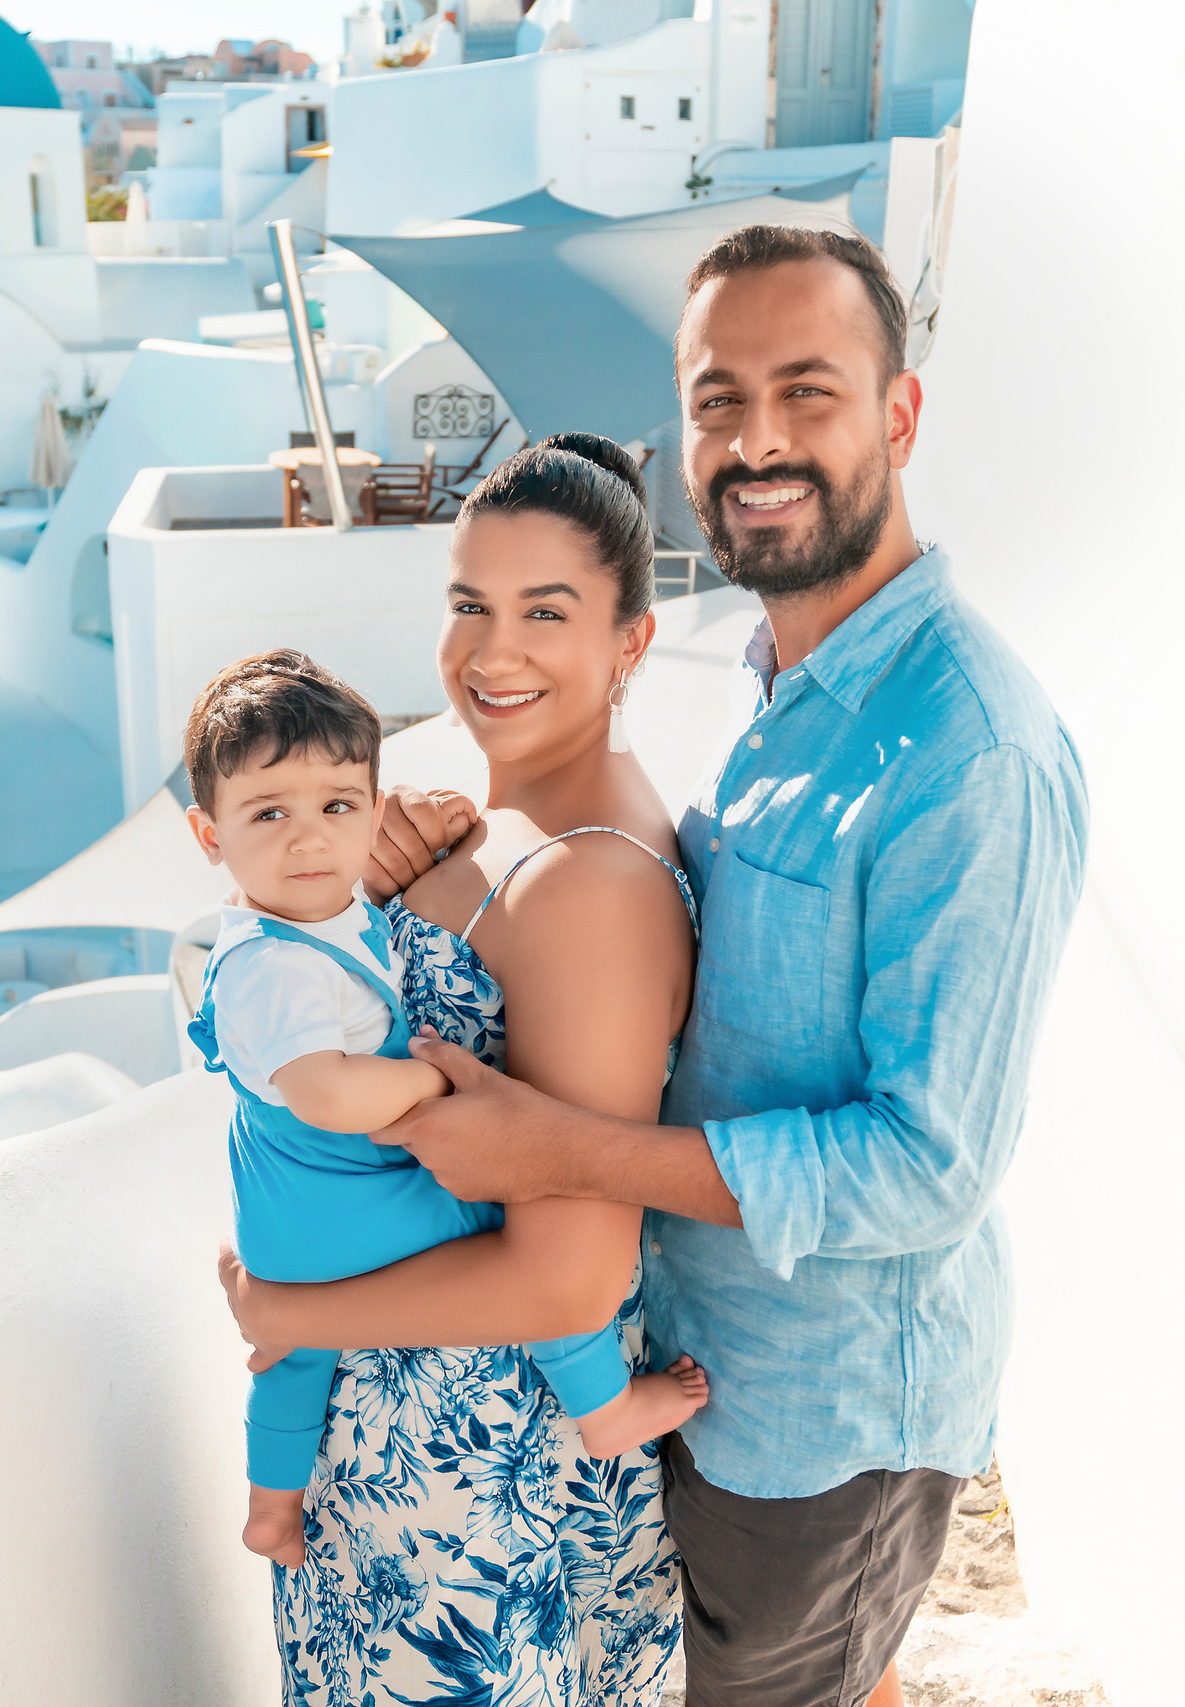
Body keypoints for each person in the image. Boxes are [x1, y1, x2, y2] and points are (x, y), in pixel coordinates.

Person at [245, 226, 1091, 1707]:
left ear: (897, 415)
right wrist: (446, 869)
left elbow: (929, 1161)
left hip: (819, 1427)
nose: (756, 438)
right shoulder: (792, 680)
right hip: (706, 1375)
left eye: (807, 391)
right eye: (718, 398)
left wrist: (564, 1149)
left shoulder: (972, 747)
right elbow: (721, 945)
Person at [217, 435, 706, 1704]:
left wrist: (288, 1318)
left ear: (631, 644)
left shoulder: (591, 885)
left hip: (468, 1511)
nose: (493, 653)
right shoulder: (512, 834)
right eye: (469, 605)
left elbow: (571, 1273)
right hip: (420, 1473)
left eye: (547, 613)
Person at [180, 648, 710, 1571]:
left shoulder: (287, 923)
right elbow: (328, 1091)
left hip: (284, 1224)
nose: (310, 841)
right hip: (349, 1205)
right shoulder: (276, 969)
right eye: (270, 814)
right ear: (208, 832)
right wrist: (435, 1086)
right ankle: (605, 1406)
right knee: (529, 1218)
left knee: (292, 1366)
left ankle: (272, 1508)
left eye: (337, 808)